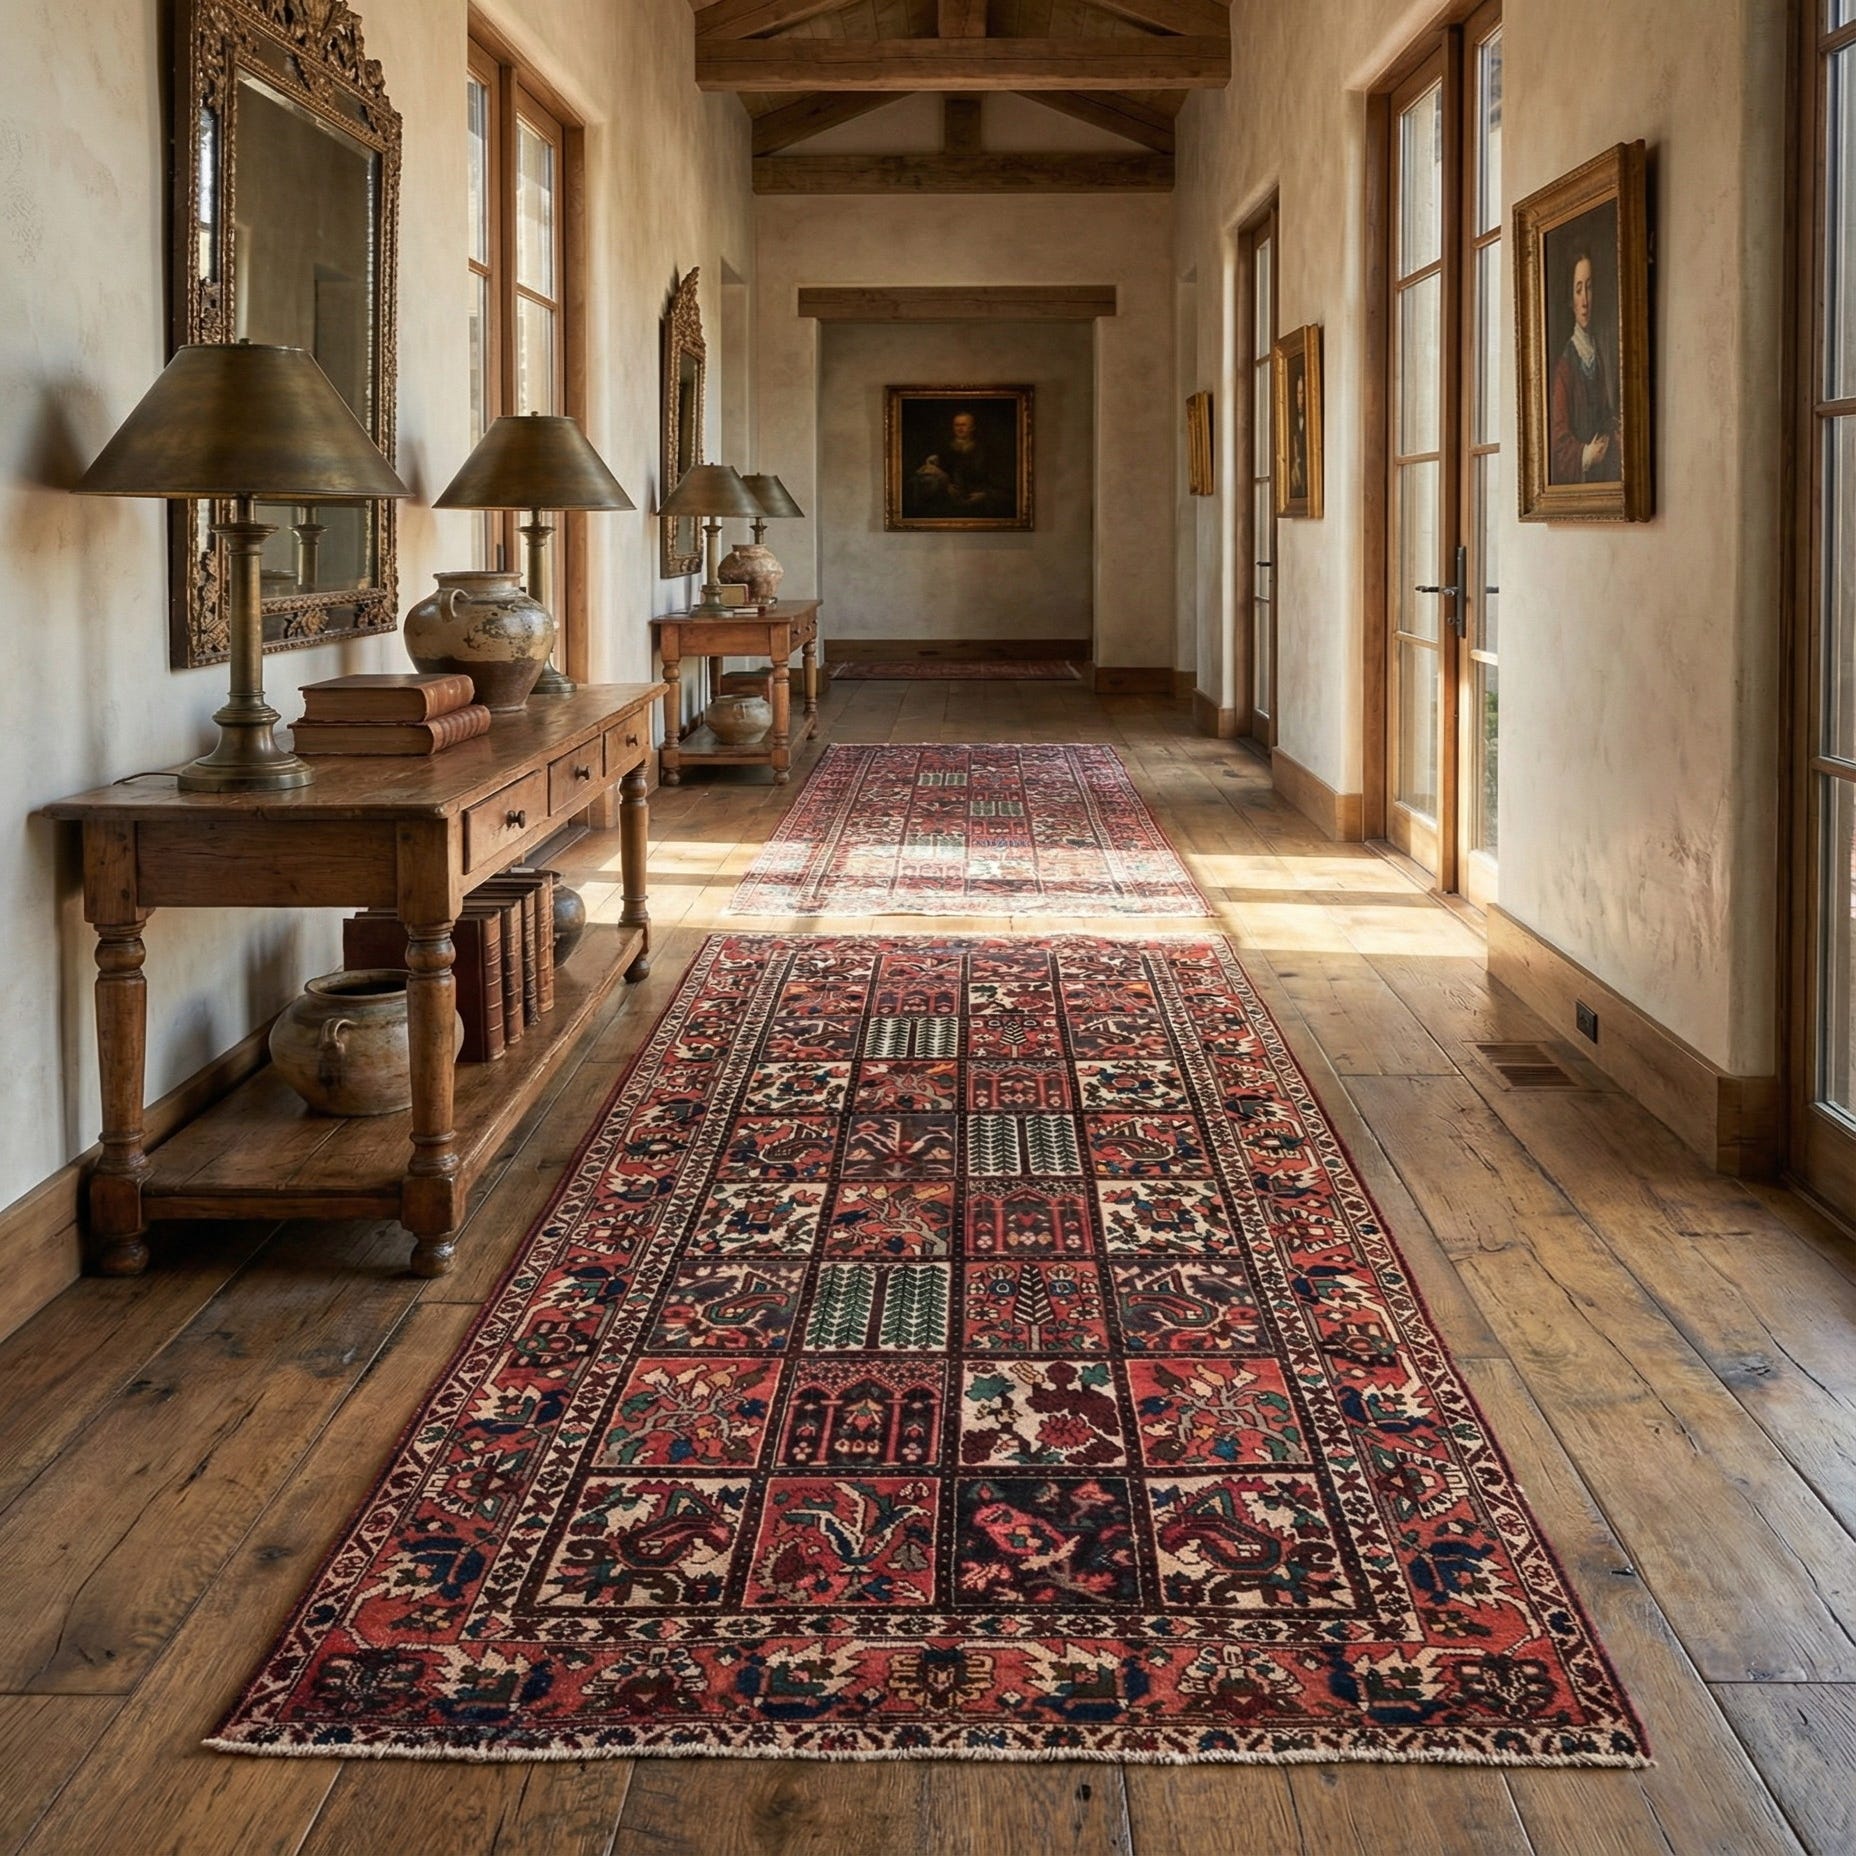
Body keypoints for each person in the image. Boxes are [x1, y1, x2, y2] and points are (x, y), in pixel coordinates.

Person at [1548, 249, 1621, 484]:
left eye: (1589, 288)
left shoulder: (1600, 355)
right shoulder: (1564, 367)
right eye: (1578, 290)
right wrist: (1586, 454)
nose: (1585, 301)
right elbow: (1558, 442)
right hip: (1582, 479)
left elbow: (1605, 416)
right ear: (1570, 300)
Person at [909, 408, 1011, 517]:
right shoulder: (944, 449)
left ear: (972, 427)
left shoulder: (985, 451)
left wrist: (984, 495)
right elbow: (935, 476)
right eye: (957, 425)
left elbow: (998, 481)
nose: (959, 428)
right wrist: (945, 485)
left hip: (978, 499)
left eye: (963, 425)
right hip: (948, 501)